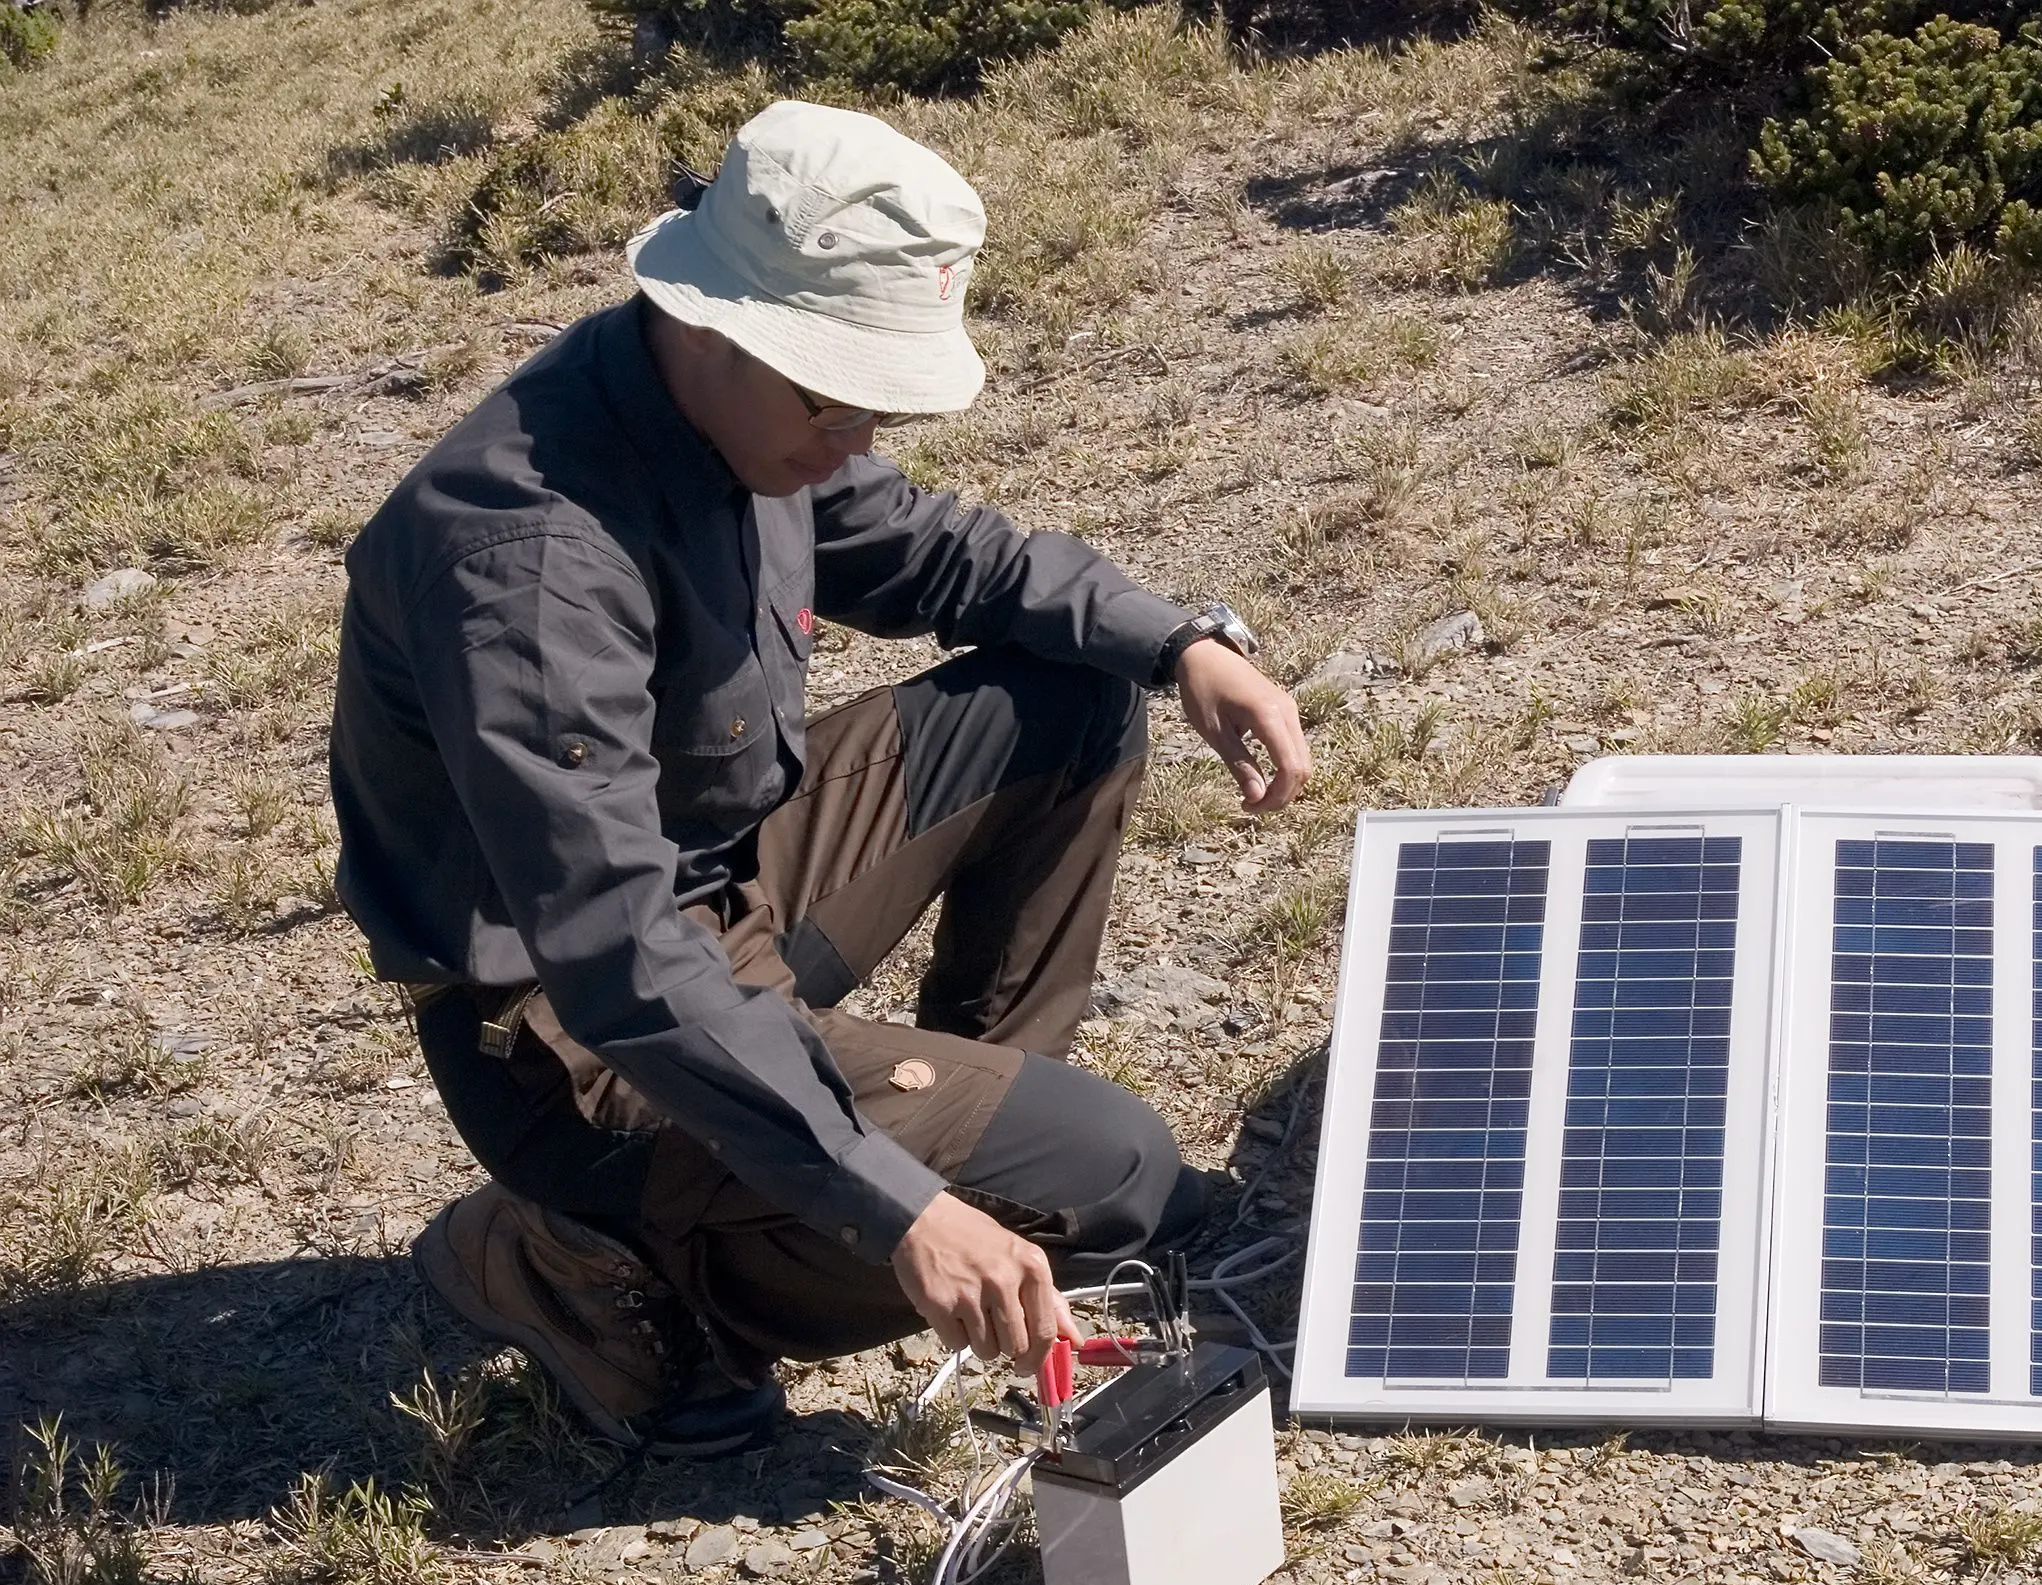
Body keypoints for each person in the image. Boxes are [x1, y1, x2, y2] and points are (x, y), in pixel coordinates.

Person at [328, 100, 1310, 1456]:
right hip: (571, 1037)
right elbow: (621, 960)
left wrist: (1181, 642)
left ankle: (947, 1160)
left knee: (1073, 697)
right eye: (835, 399)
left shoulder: (732, 412)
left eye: (877, 402)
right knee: (1118, 1173)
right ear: (718, 323)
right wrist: (892, 1203)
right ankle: (588, 1262)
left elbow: (931, 552)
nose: (857, 439)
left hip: (717, 886)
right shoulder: (531, 563)